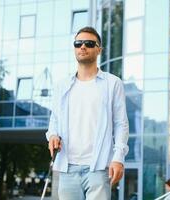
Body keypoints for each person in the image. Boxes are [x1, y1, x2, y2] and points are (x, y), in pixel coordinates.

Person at [46, 26, 129, 200]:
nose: (83, 47)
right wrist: (52, 135)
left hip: (98, 167)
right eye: (78, 43)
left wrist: (118, 157)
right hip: (68, 167)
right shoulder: (61, 85)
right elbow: (55, 120)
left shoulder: (113, 83)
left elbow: (121, 124)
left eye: (89, 43)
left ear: (99, 49)